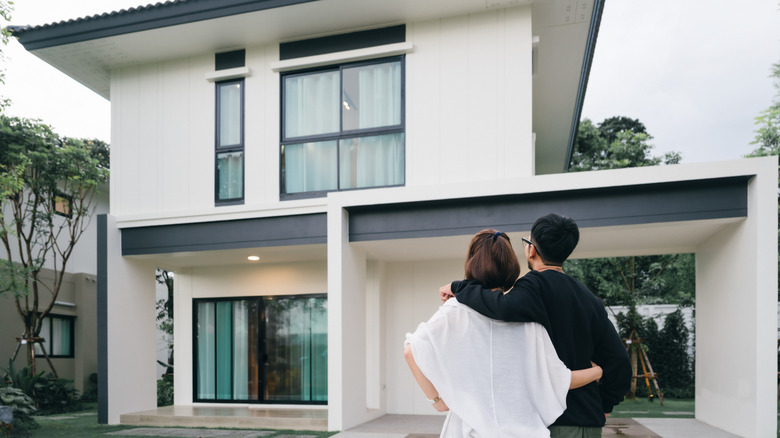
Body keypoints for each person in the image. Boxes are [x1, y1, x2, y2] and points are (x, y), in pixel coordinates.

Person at [440, 214, 632, 438]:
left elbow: (500, 306)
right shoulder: (588, 299)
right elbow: (619, 362)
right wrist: (605, 405)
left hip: (551, 422)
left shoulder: (533, 286)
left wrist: (458, 287)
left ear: (532, 250)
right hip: (589, 421)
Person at [405, 229, 604, 437]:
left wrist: (437, 402)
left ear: (472, 262)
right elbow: (558, 380)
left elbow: (411, 351)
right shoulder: (528, 321)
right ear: (511, 266)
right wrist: (598, 371)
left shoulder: (453, 311)